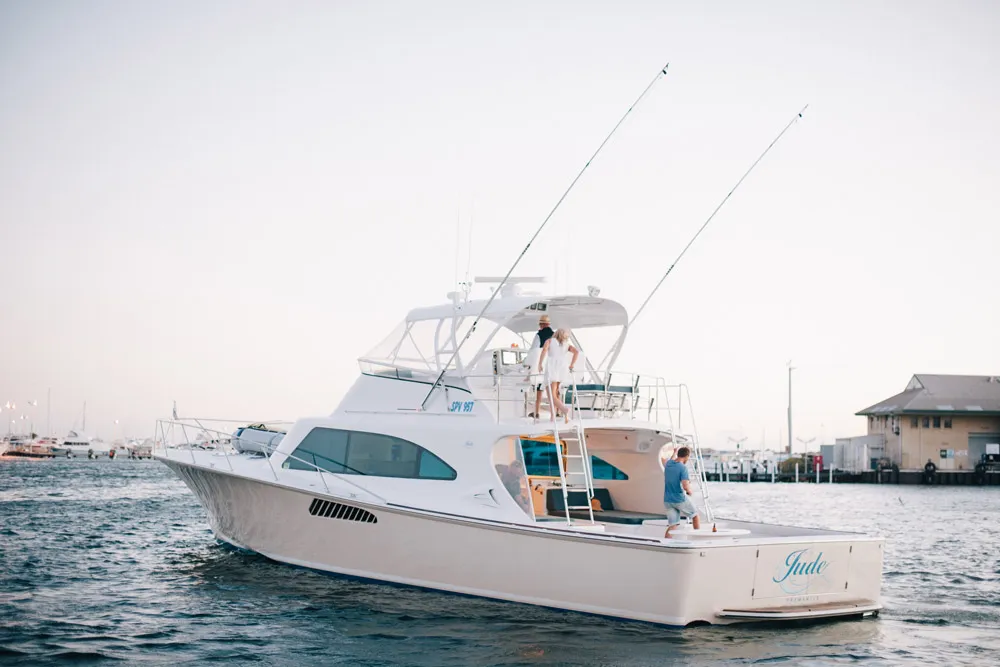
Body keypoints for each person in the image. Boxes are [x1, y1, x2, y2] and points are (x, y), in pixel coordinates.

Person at [538, 328, 579, 424]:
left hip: (552, 367)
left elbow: (544, 350)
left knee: (551, 396)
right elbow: (576, 352)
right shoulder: (567, 345)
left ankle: (564, 409)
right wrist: (571, 364)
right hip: (562, 368)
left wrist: (540, 364)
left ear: (555, 334)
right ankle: (553, 416)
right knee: (555, 394)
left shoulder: (549, 341)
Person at [663, 446, 701, 538]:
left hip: (667, 500)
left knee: (673, 525)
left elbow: (672, 459)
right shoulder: (682, 468)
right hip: (679, 499)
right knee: (695, 516)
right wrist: (689, 491)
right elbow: (685, 485)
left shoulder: (668, 464)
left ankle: (666, 543)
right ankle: (698, 539)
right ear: (687, 456)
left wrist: (674, 453)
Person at [525, 315, 555, 419]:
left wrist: (526, 362)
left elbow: (534, 349)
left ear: (541, 324)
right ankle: (556, 412)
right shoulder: (554, 335)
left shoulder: (539, 335)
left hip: (542, 363)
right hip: (552, 364)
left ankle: (536, 412)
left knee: (539, 387)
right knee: (552, 389)